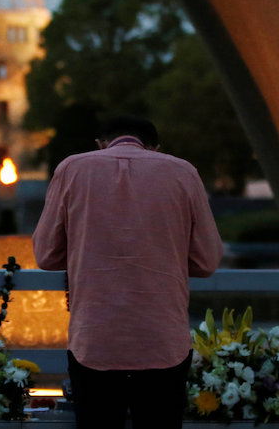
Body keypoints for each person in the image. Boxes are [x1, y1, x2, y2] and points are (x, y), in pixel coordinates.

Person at [32, 115, 223, 429]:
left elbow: (46, 255)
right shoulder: (182, 172)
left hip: (94, 341)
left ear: (100, 143)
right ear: (155, 148)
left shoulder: (72, 169)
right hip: (164, 342)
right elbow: (206, 261)